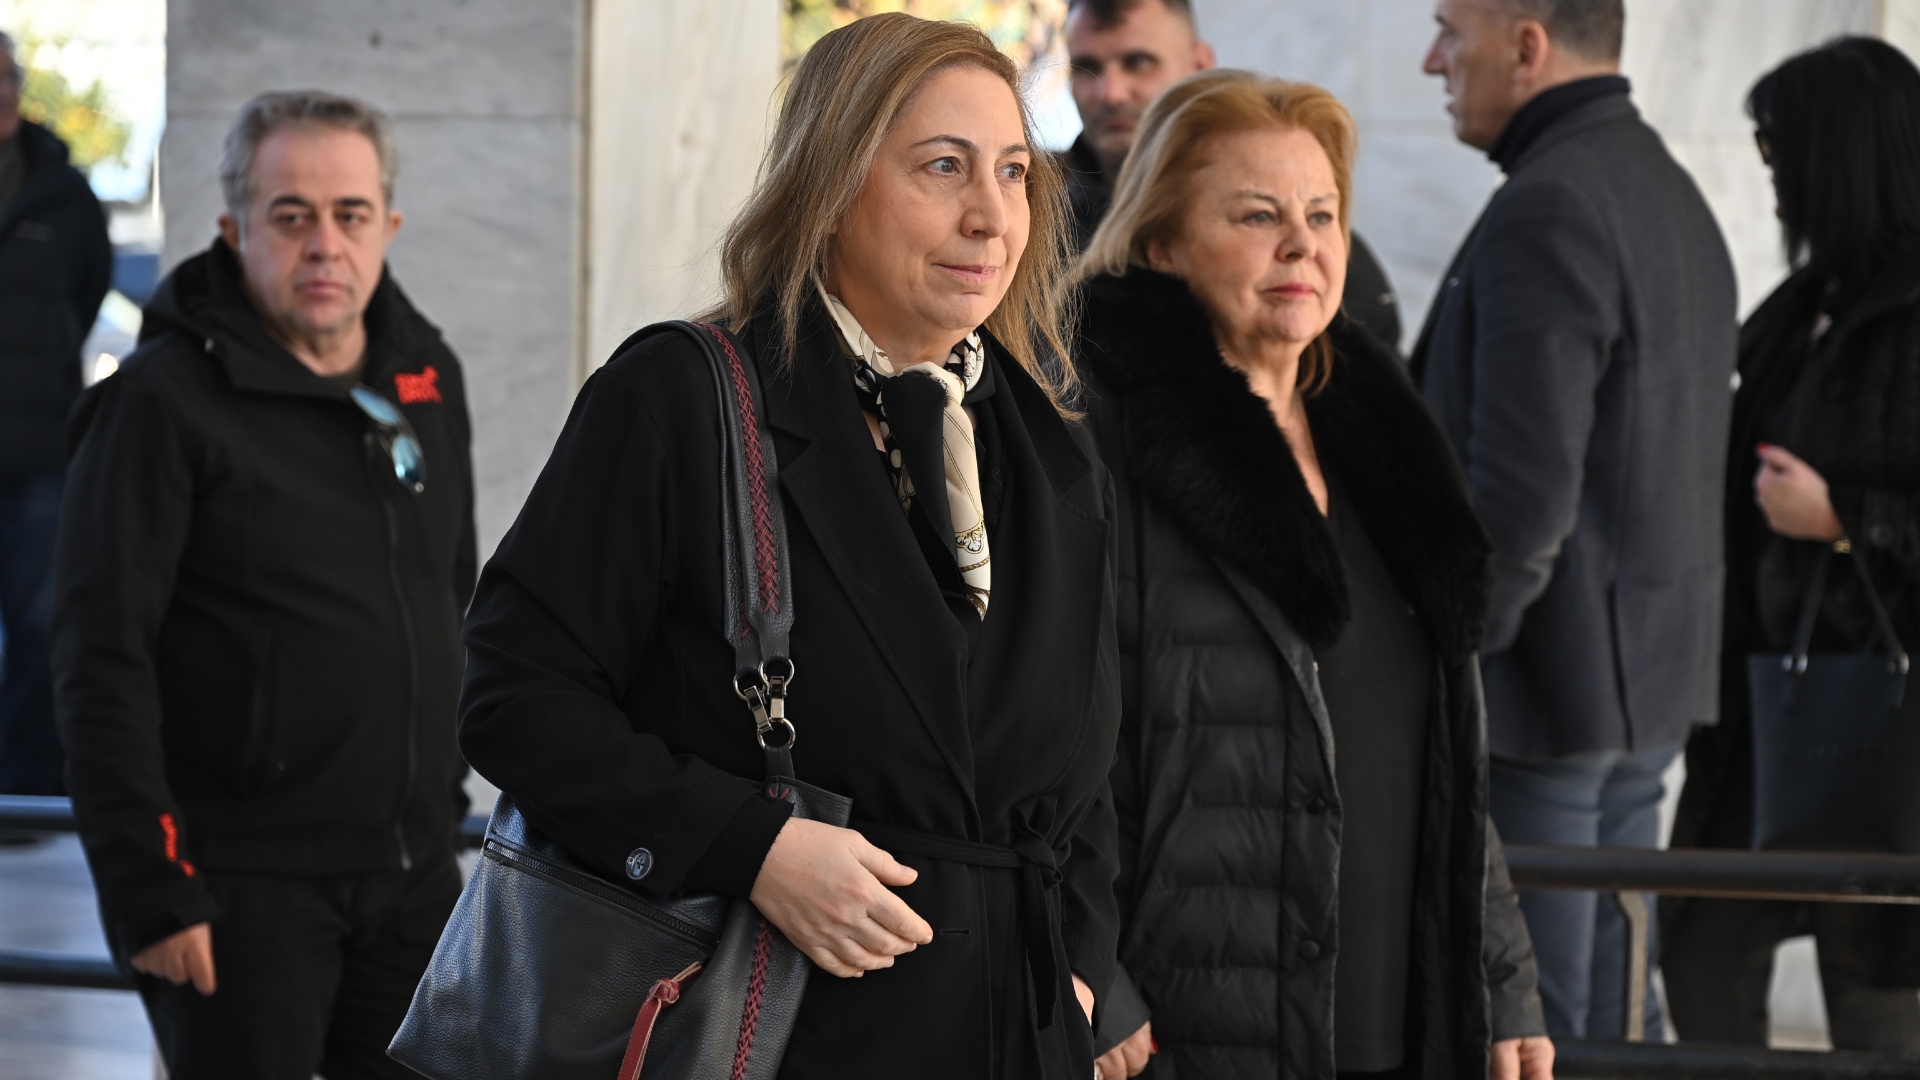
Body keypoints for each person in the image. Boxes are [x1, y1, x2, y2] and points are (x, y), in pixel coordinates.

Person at [455, 14, 1121, 1079]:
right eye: (943, 167)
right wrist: (748, 845)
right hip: (766, 1032)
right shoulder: (680, 397)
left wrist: (1080, 970)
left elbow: (1083, 777)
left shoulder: (1052, 444)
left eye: (1012, 171)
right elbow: (514, 695)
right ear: (831, 181)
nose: (992, 216)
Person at [1075, 68, 1551, 1080]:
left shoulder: (1388, 444)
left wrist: (1502, 978)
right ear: (1162, 244)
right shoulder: (1097, 444)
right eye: (1258, 215)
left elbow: (1447, 752)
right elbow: (1034, 747)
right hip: (1190, 1022)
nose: (1303, 244)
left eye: (1322, 214)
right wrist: (1091, 977)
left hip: (1395, 1012)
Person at [54, 90, 477, 1078]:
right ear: (233, 228)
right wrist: (151, 891)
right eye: (291, 216)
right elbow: (99, 661)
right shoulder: (157, 405)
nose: (324, 244)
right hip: (237, 894)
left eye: (350, 214)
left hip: (411, 877)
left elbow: (450, 594)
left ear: (388, 227)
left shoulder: (425, 377)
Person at [1412, 0, 1737, 1041]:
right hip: (1640, 684)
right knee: (1611, 1018)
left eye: (1449, 31)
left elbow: (1522, 498)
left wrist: (1455, 659)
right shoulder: (1660, 185)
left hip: (1546, 695)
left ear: (1527, 46)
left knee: (1542, 1026)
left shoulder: (1552, 200)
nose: (1431, 62)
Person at [1663, 37, 1920, 1057]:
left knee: (1878, 1009)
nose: (1769, 172)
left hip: (1888, 727)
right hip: (1761, 710)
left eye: (1780, 148)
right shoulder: (1804, 305)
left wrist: (1848, 515)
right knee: (1700, 959)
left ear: (1841, 154)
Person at [1061, 0, 1405, 351]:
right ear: (1159, 247)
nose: (1111, 93)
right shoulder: (1038, 242)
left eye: (1138, 62)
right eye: (1086, 68)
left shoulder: (1329, 262)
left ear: (1199, 65)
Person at [0, 30, 111, 798]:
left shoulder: (63, 191)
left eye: (9, 77)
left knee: (41, 627)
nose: (3, 93)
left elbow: (88, 287)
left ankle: (26, 790)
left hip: (38, 451)